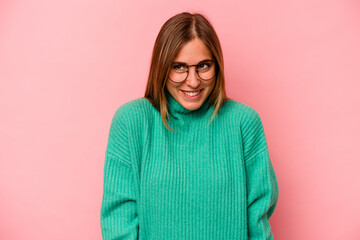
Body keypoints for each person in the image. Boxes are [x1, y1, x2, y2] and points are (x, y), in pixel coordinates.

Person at [100, 12, 279, 240]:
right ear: (162, 68)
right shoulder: (132, 122)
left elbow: (258, 221)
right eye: (179, 67)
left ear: (217, 66)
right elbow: (119, 222)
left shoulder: (243, 123)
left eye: (203, 66)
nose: (193, 81)